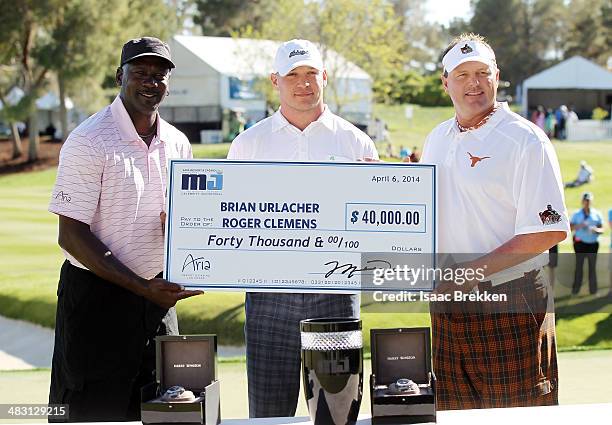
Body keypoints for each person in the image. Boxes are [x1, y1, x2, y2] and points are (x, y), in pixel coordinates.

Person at [47, 37, 202, 422]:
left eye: (160, 75)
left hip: (156, 298)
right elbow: (70, 235)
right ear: (120, 76)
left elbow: (179, 218)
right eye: (141, 73)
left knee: (162, 410)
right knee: (89, 412)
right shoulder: (89, 140)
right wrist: (142, 287)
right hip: (95, 301)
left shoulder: (178, 144)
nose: (151, 82)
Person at [227, 39, 378, 418]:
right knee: (268, 411)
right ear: (275, 80)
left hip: (337, 291)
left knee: (337, 413)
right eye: (292, 74)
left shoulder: (355, 141)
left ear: (324, 77)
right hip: (268, 294)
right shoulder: (249, 144)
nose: (303, 83)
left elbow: (376, 221)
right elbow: (228, 220)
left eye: (311, 73)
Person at [421, 33, 569, 410]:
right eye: (463, 74)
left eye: (482, 73)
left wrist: (468, 275)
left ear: (497, 76)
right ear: (445, 82)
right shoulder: (437, 138)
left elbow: (549, 230)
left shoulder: (525, 139)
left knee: (518, 415)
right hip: (450, 303)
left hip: (512, 300)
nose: (474, 83)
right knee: (453, 413)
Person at [570, 192, 603, 295]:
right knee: (579, 266)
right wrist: (580, 225)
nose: (587, 203)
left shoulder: (596, 214)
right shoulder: (577, 214)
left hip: (593, 244)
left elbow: (602, 228)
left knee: (592, 267)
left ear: (591, 202)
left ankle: (593, 290)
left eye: (588, 201)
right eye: (585, 201)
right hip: (580, 244)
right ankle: (576, 290)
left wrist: (596, 230)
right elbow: (570, 227)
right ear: (582, 201)